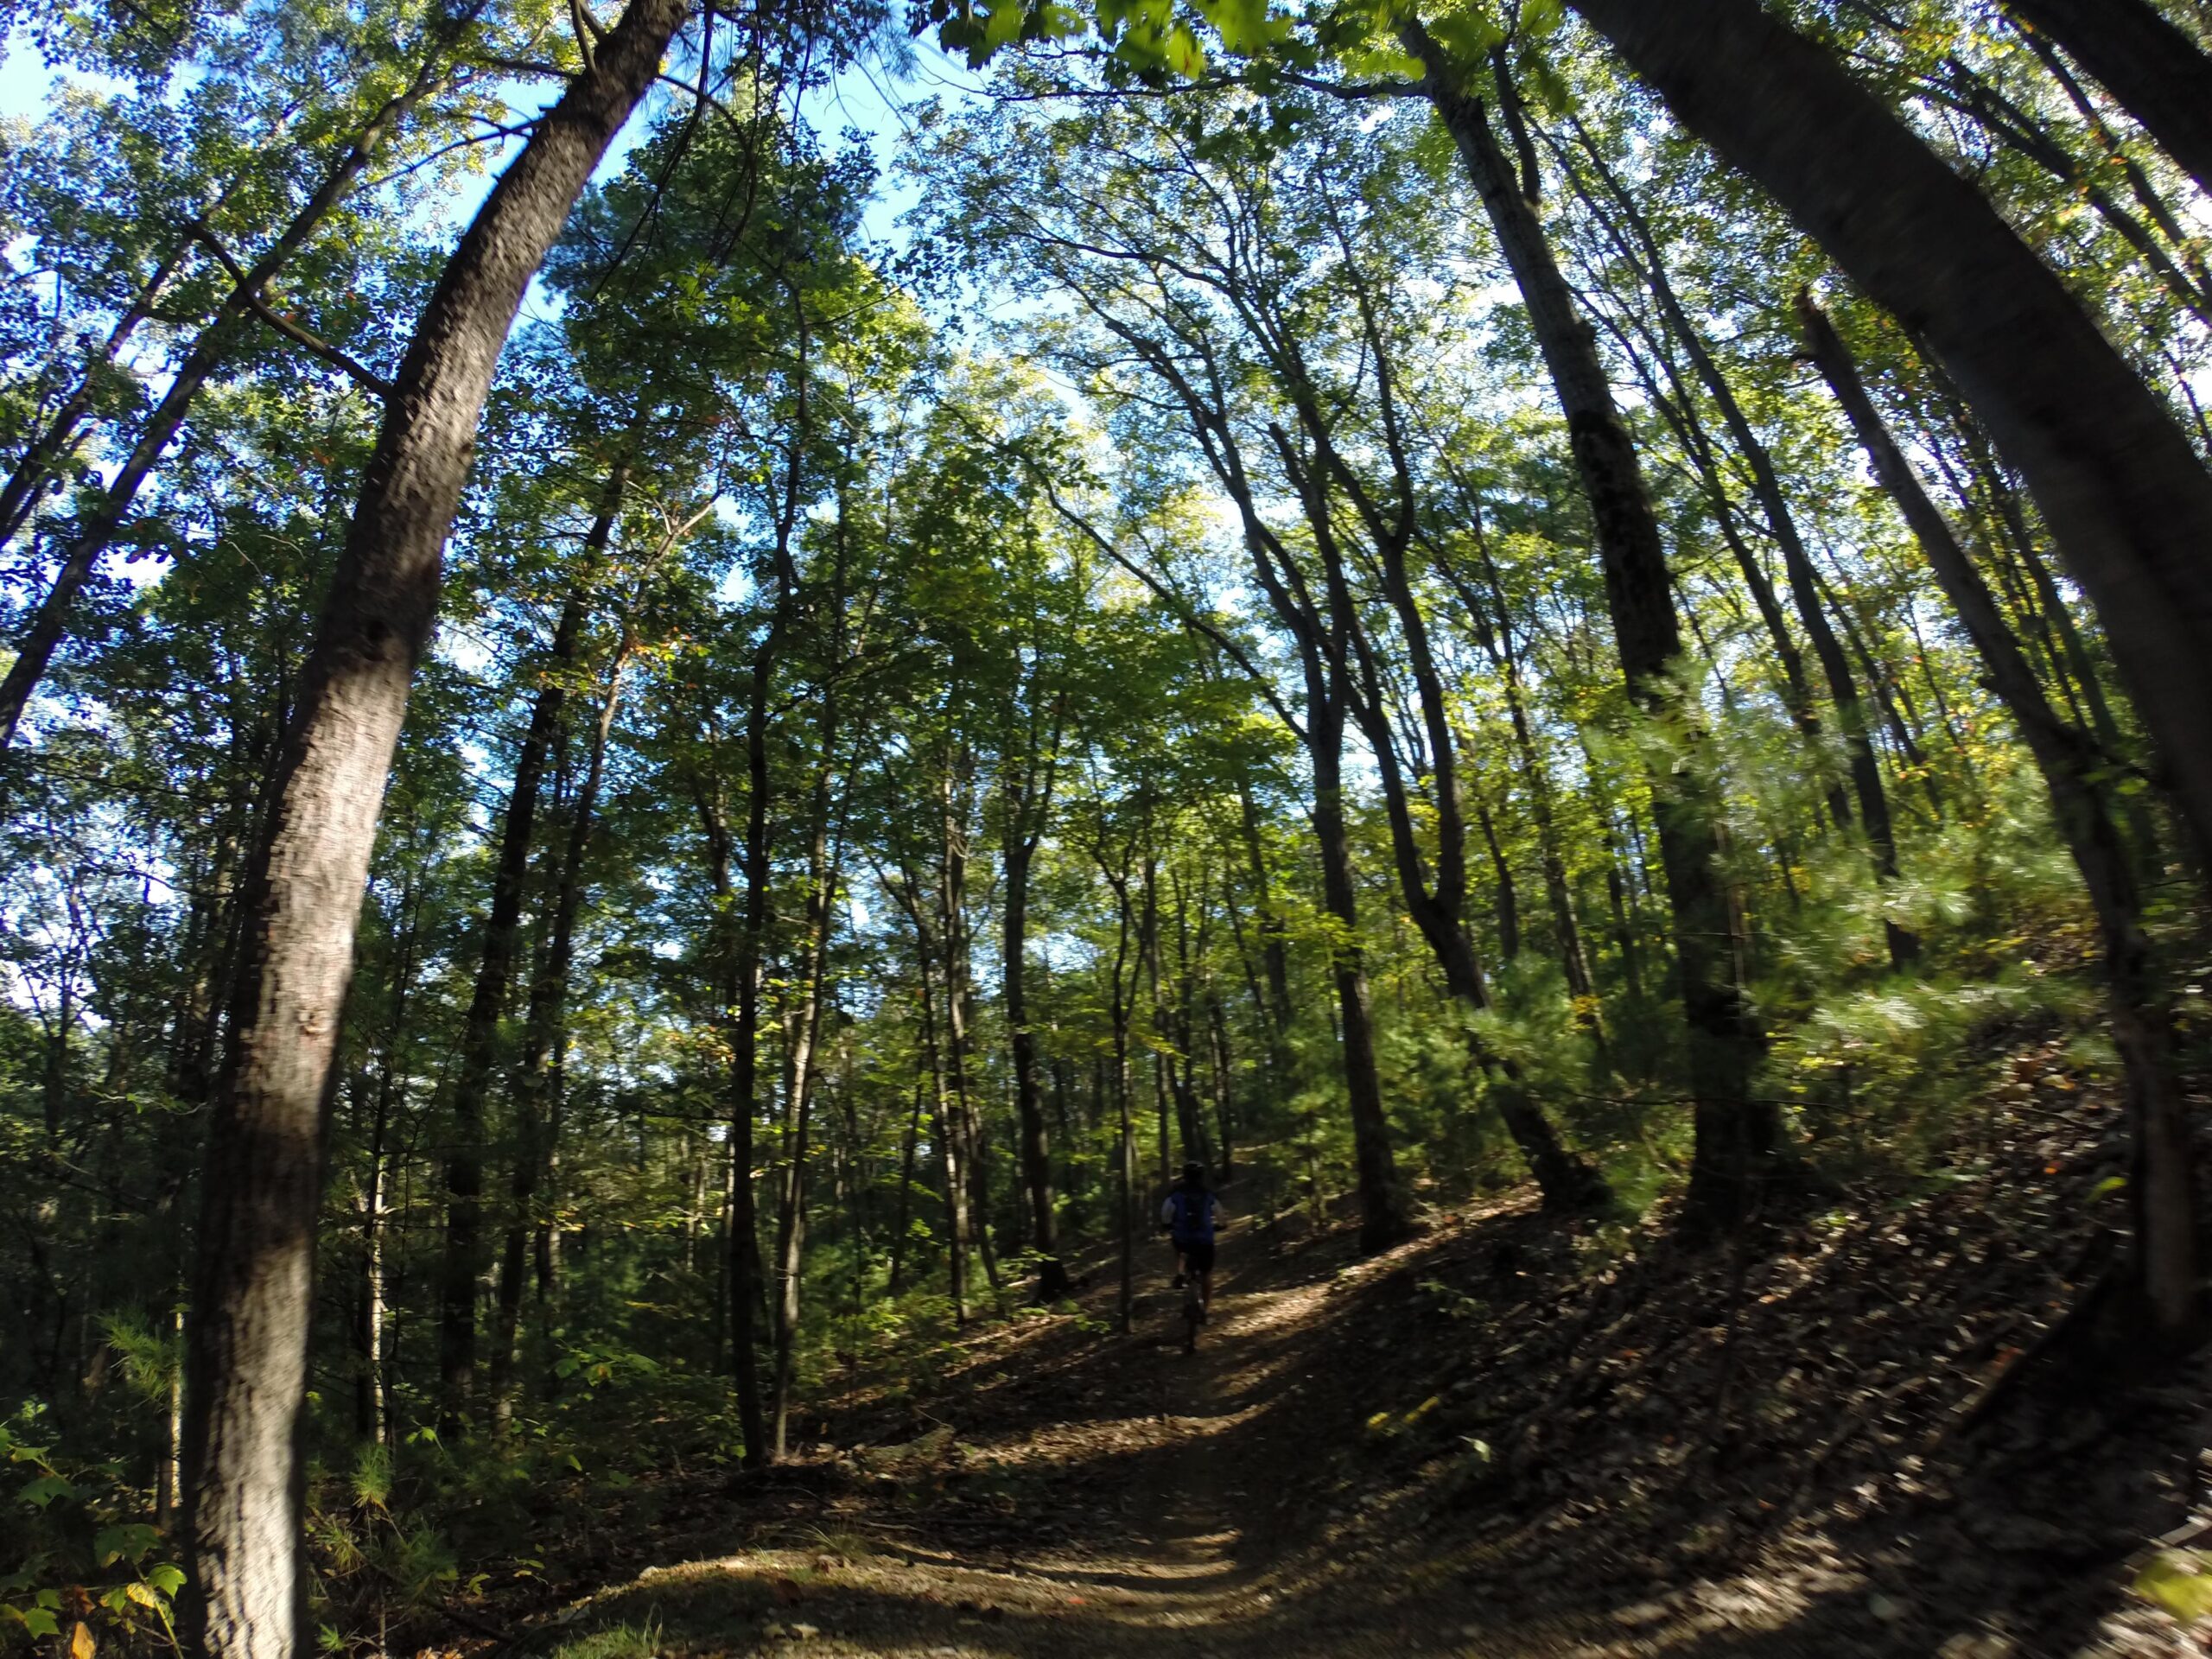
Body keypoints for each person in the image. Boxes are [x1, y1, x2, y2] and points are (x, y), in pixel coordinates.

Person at [1160, 1160, 1222, 1320]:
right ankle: (1205, 1311)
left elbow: (1165, 1214)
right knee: (1207, 1274)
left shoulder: (1175, 1194)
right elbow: (1220, 1214)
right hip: (1205, 1241)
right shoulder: (1208, 1194)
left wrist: (1167, 1225)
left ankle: (1181, 1273)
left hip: (1183, 1239)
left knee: (1181, 1251)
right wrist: (1221, 1225)